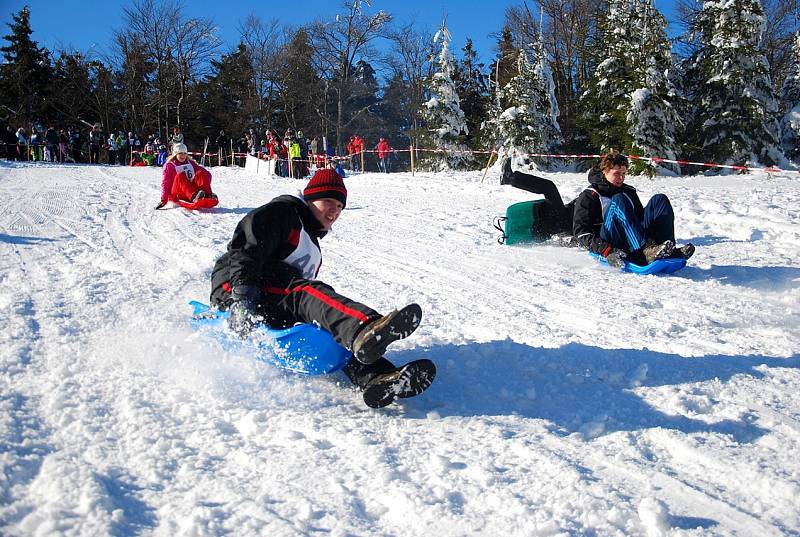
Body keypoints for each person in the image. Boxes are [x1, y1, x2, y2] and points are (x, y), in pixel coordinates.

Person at [208, 169, 436, 408]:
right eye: (328, 201)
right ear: (309, 198)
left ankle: (376, 376)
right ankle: (365, 329)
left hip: (270, 298)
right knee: (306, 294)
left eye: (339, 206)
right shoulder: (285, 212)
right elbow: (246, 245)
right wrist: (242, 296)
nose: (335, 210)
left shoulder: (312, 244)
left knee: (324, 321)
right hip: (236, 286)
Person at [572, 151, 695, 267]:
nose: (621, 178)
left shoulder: (628, 191)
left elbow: (638, 219)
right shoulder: (590, 195)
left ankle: (666, 249)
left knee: (659, 200)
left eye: (623, 174)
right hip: (610, 240)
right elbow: (581, 232)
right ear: (604, 172)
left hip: (632, 238)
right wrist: (606, 250)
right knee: (618, 199)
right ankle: (645, 249)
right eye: (616, 174)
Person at [156, 142, 216, 209]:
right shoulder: (170, 166)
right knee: (180, 175)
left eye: (185, 153)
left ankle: (208, 195)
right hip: (176, 192)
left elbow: (207, 174)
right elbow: (165, 183)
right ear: (175, 154)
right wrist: (163, 200)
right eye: (180, 153)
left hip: (189, 189)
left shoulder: (190, 163)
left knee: (201, 173)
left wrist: (204, 186)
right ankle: (194, 197)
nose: (183, 155)